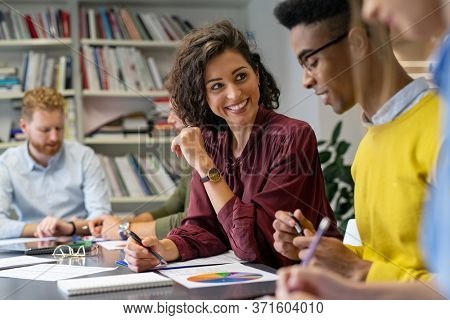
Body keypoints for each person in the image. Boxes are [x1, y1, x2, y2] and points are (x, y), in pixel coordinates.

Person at [124, 20, 340, 272]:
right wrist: (165, 248)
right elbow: (203, 227)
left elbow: (254, 245)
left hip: (310, 282)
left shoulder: (292, 136)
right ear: (203, 96)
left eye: (241, 76)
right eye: (217, 86)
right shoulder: (212, 140)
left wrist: (204, 165)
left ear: (256, 75)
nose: (235, 94)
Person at [275, 0, 450, 299]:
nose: (306, 80)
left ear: (357, 42)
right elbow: (379, 255)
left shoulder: (440, 127)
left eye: (311, 62)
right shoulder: (367, 148)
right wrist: (322, 251)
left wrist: (359, 271)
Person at [0, 87, 111, 239]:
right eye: (45, 130)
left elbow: (101, 218)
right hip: (30, 245)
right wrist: (43, 228)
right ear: (24, 127)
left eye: (58, 128)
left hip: (78, 243)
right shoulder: (7, 163)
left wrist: (69, 228)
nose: (54, 137)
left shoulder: (84, 157)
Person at [89, 110, 192, 240]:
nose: (169, 120)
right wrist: (123, 224)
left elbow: (193, 220)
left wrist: (124, 230)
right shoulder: (192, 163)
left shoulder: (207, 156)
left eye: (174, 111)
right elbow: (170, 208)